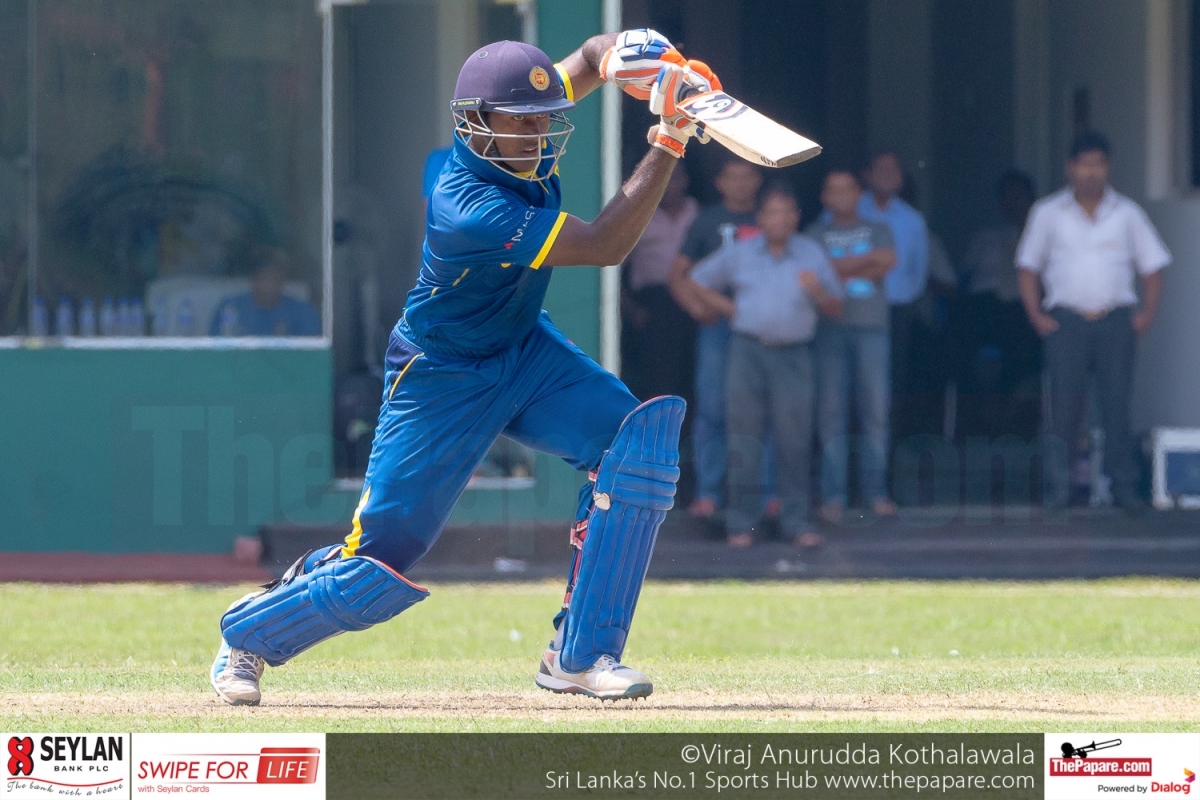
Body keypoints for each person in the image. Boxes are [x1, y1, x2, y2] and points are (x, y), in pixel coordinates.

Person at [209, 29, 720, 705]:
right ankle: (249, 632)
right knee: (374, 571)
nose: (538, 135)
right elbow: (603, 245)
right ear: (477, 122)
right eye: (522, 123)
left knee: (636, 448)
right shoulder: (469, 207)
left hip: (523, 350)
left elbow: (586, 63)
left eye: (546, 120)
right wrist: (670, 136)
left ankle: (581, 656)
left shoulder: (511, 124)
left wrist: (628, 52)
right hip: (442, 375)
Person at [1017, 131, 1169, 513]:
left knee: (1117, 407)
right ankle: (1059, 490)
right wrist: (1035, 315)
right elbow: (1027, 267)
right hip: (1065, 322)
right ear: (1070, 168)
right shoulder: (1048, 213)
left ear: (1108, 167)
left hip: (1115, 321)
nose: (1091, 172)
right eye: (1084, 164)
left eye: (1098, 164)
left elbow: (1153, 267)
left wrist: (1147, 314)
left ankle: (1124, 489)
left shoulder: (1128, 214)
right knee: (1064, 409)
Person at [684, 184, 843, 548]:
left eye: (786, 211)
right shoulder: (741, 252)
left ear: (796, 217)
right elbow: (696, 279)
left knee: (794, 440)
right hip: (747, 352)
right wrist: (730, 309)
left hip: (795, 355)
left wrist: (817, 292)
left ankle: (797, 523)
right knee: (744, 438)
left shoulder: (811, 253)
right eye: (772, 212)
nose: (779, 219)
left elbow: (836, 308)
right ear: (760, 218)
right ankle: (741, 524)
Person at [668, 157, 764, 518]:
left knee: (762, 408)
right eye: (732, 177)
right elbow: (677, 274)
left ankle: (765, 494)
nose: (740, 183)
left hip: (762, 327)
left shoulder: (771, 217)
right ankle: (709, 492)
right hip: (718, 328)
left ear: (758, 180)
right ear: (719, 182)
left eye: (747, 176)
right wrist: (697, 308)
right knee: (712, 408)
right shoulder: (706, 221)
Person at [808, 170, 897, 524]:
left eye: (847, 189)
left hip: (872, 329)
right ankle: (834, 496)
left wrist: (836, 270)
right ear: (824, 197)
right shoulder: (814, 234)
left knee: (875, 411)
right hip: (829, 331)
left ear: (859, 194)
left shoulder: (879, 229)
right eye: (834, 190)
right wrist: (863, 263)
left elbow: (887, 261)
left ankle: (876, 493)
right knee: (832, 413)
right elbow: (815, 272)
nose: (841, 196)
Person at [854, 151, 930, 449]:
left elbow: (918, 271)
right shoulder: (849, 211)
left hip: (896, 311)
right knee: (854, 386)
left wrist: (905, 300)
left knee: (893, 385)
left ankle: (887, 459)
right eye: (881, 169)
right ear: (867, 175)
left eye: (894, 170)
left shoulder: (913, 220)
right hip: (854, 309)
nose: (888, 175)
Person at [958, 170, 1041, 439]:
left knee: (1025, 336)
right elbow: (962, 277)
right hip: (983, 306)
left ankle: (1006, 407)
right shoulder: (985, 238)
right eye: (1007, 196)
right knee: (959, 335)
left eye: (1018, 195)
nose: (1012, 202)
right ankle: (973, 412)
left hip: (1022, 307)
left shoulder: (1043, 239)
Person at [622, 166, 699, 402]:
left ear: (685, 180)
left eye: (675, 178)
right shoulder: (639, 215)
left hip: (694, 302)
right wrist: (631, 310)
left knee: (691, 369)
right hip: (652, 303)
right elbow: (611, 272)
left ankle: (687, 423)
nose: (670, 185)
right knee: (657, 373)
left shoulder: (697, 212)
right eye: (664, 179)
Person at [209, 250, 321, 336]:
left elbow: (310, 353)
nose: (268, 285)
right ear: (253, 281)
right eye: (263, 279)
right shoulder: (230, 308)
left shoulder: (302, 313)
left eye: (274, 279)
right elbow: (216, 348)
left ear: (282, 281)